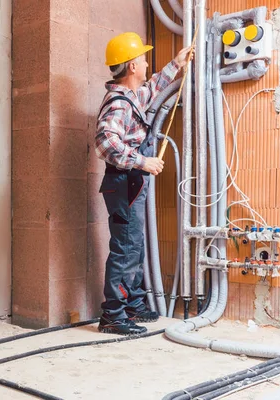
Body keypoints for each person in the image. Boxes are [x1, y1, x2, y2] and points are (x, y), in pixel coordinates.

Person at [94, 32, 193, 335]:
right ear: (132, 66)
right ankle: (112, 315)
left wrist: (176, 63)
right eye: (143, 59)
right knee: (126, 247)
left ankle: (131, 303)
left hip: (129, 183)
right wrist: (142, 161)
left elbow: (154, 88)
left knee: (134, 245)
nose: (147, 63)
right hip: (124, 182)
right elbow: (104, 142)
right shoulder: (119, 104)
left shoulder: (133, 96)